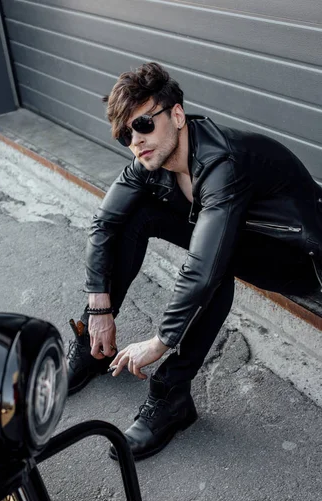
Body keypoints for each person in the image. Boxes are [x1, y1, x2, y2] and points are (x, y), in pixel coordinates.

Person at [67, 62, 322, 461]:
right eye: (125, 135)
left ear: (178, 115)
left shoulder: (224, 164)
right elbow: (103, 224)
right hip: (238, 238)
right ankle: (94, 345)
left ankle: (170, 396)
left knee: (213, 267)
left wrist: (159, 342)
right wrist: (98, 308)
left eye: (145, 124)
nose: (136, 140)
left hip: (294, 257)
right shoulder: (148, 162)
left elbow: (202, 268)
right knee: (133, 218)